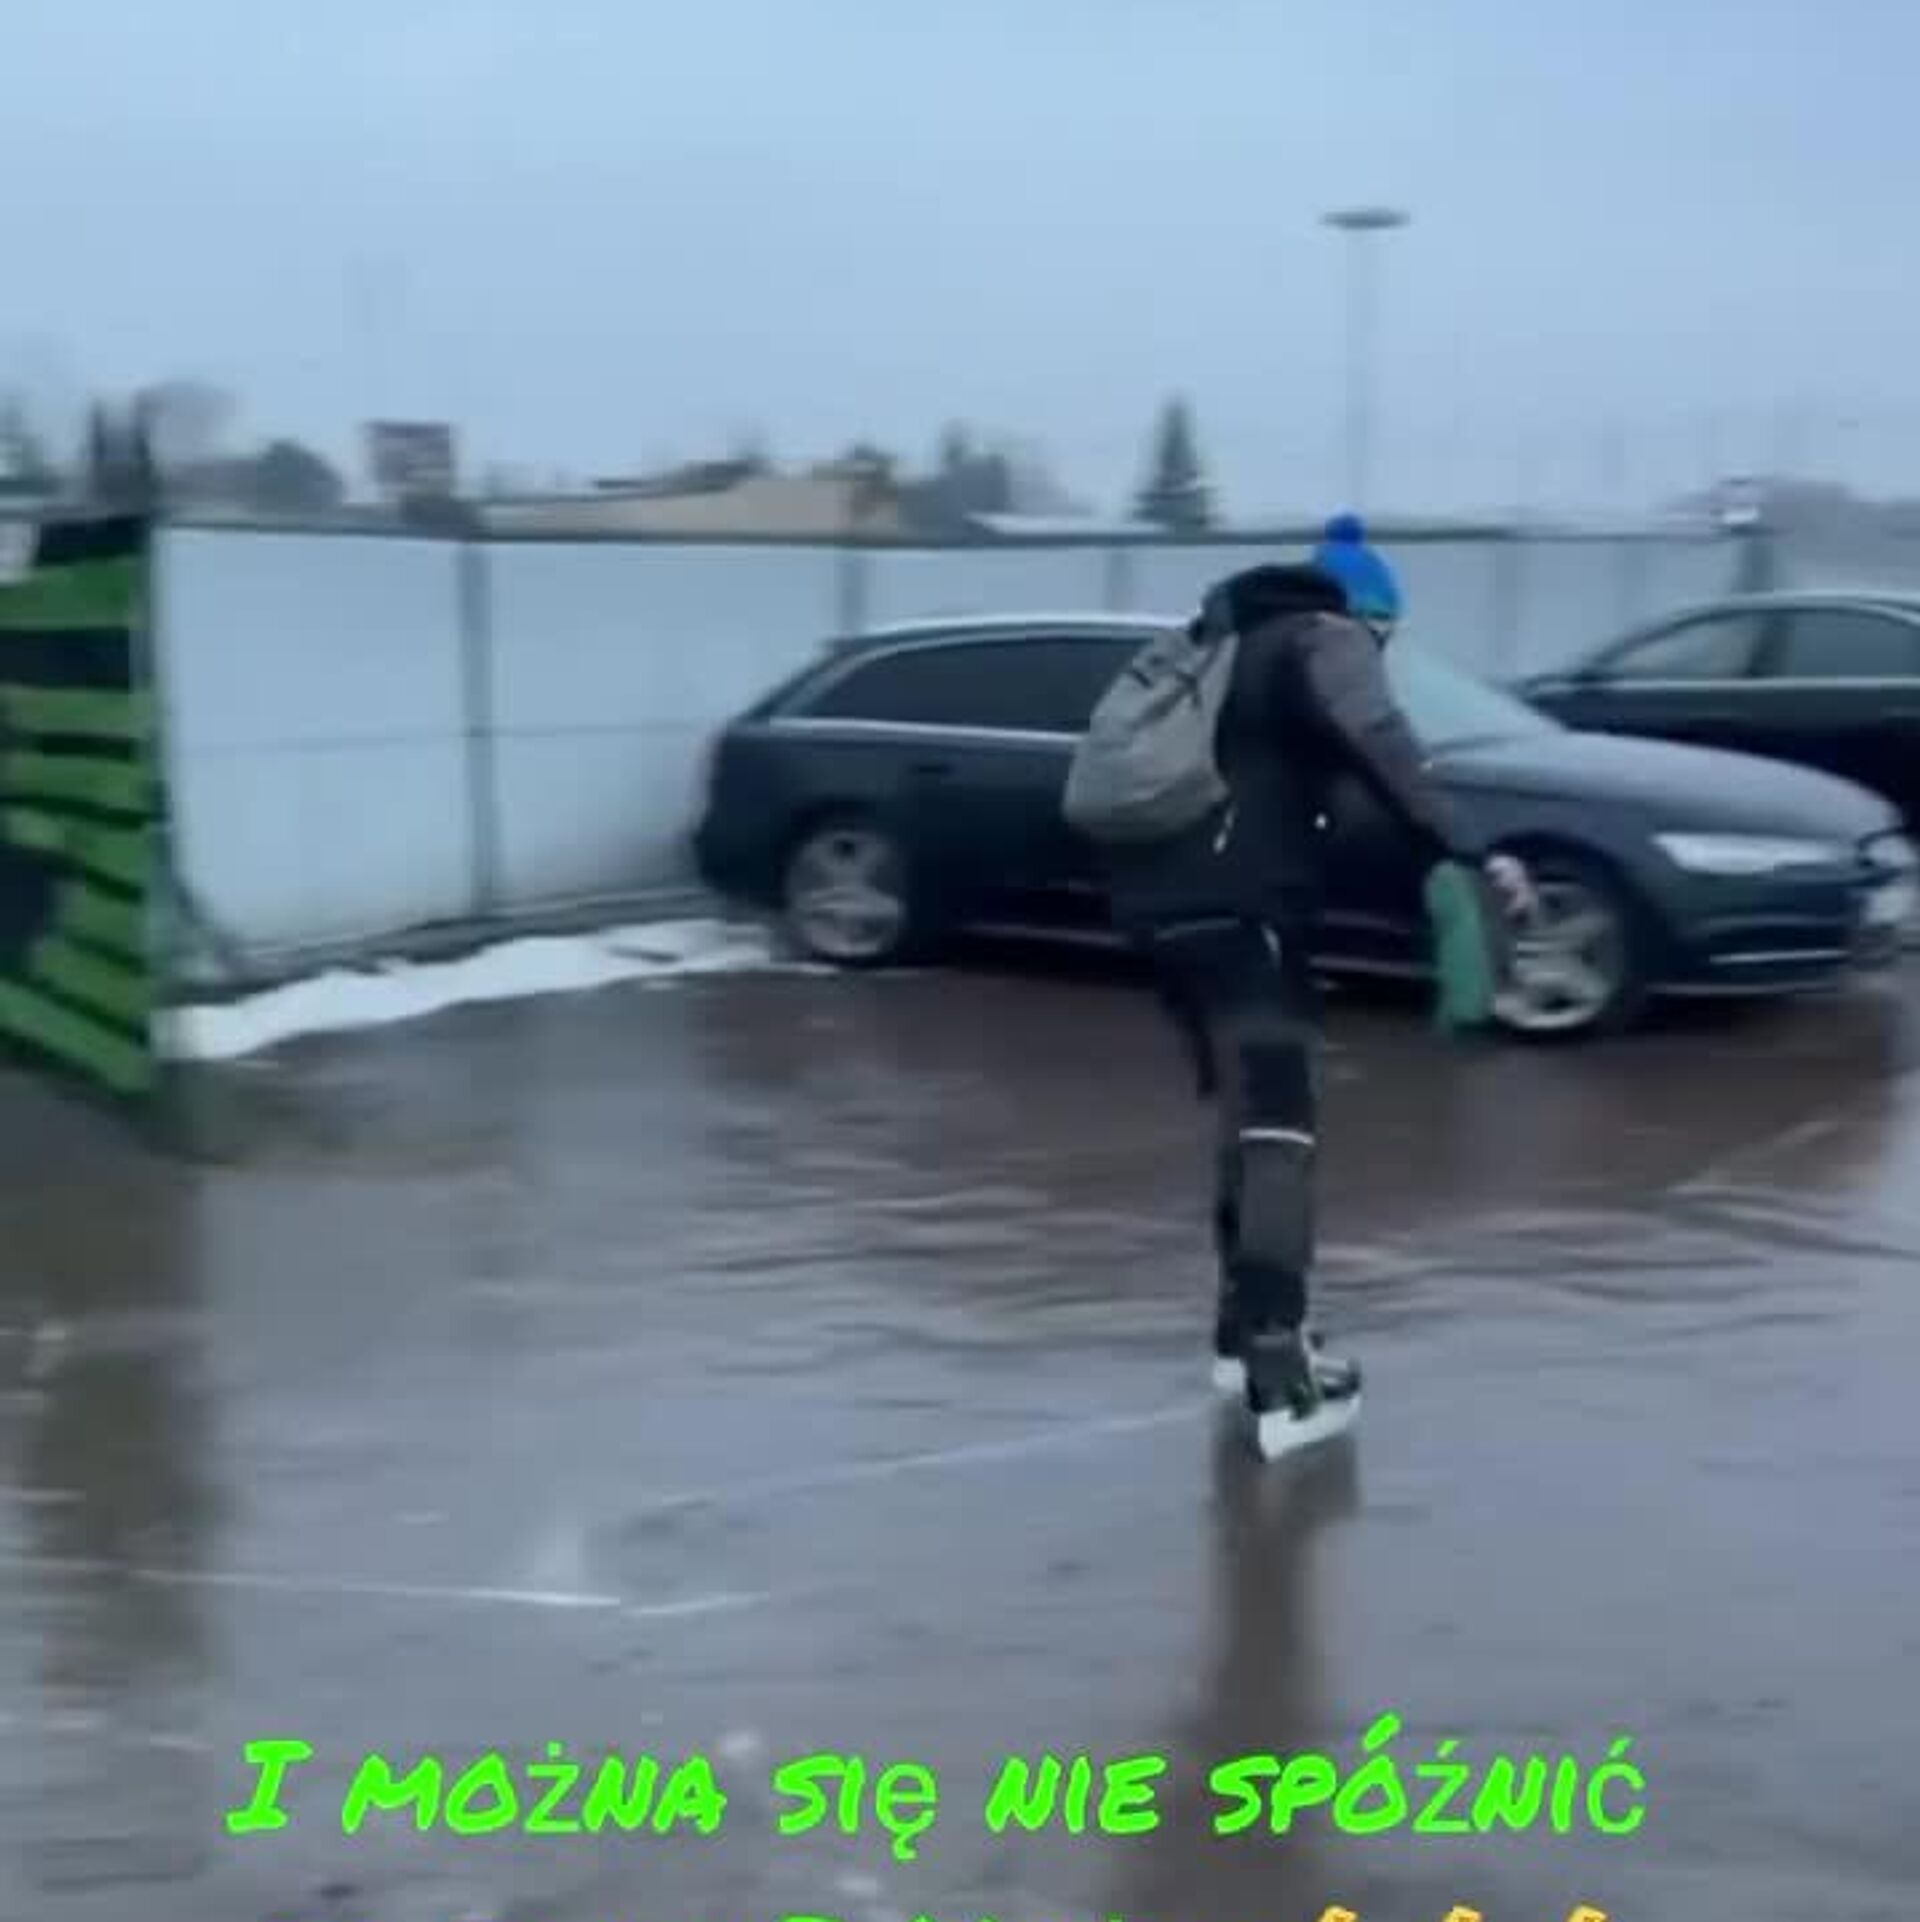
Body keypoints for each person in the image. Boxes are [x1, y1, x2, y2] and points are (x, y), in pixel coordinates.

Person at [1102, 516, 1533, 1457]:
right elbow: (1381, 740)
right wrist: (1469, 848)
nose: (1381, 655)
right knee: (1278, 1130)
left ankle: (1240, 1339)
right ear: (1369, 613)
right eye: (1386, 635)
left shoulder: (1223, 646)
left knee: (1248, 1120)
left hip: (1163, 915)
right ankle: (1281, 1376)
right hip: (1246, 913)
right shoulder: (1325, 637)